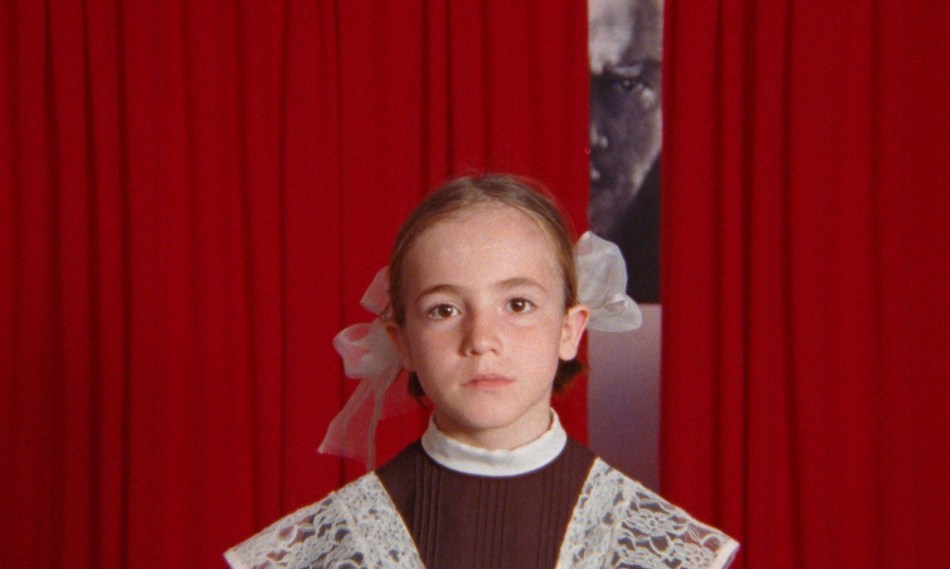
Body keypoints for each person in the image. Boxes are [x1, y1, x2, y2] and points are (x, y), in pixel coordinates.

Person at [224, 174, 738, 569]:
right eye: (444, 310)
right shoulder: (318, 549)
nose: (482, 340)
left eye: (517, 304)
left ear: (569, 329)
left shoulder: (661, 546)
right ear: (402, 341)